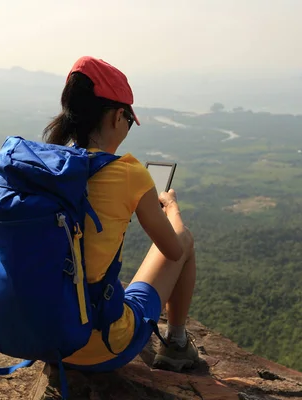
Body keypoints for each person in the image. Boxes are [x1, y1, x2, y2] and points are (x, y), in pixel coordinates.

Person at [42, 56, 199, 373]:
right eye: (129, 119)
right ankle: (177, 344)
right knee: (184, 238)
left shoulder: (44, 166)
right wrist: (172, 208)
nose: (127, 126)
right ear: (116, 117)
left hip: (43, 339)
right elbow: (173, 250)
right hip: (99, 347)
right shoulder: (128, 172)